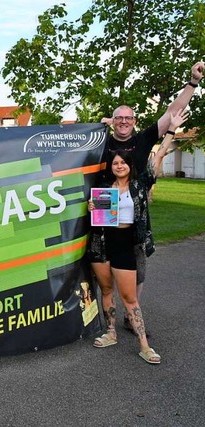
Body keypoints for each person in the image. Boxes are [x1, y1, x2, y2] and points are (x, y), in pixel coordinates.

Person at [100, 61, 204, 333]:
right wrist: (96, 127)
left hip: (136, 211)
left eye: (129, 118)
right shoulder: (102, 140)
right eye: (119, 118)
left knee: (138, 265)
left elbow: (173, 112)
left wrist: (192, 83)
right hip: (103, 209)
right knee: (101, 264)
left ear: (134, 122)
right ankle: (104, 318)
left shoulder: (144, 138)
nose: (124, 122)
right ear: (113, 121)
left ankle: (131, 315)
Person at [87, 150, 159, 364]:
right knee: (107, 290)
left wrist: (170, 132)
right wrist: (91, 206)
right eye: (115, 163)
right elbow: (98, 218)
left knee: (129, 298)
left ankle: (144, 346)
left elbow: (158, 159)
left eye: (123, 163)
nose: (119, 166)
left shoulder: (139, 186)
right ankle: (111, 333)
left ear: (129, 165)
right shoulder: (105, 189)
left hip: (125, 244)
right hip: (101, 243)